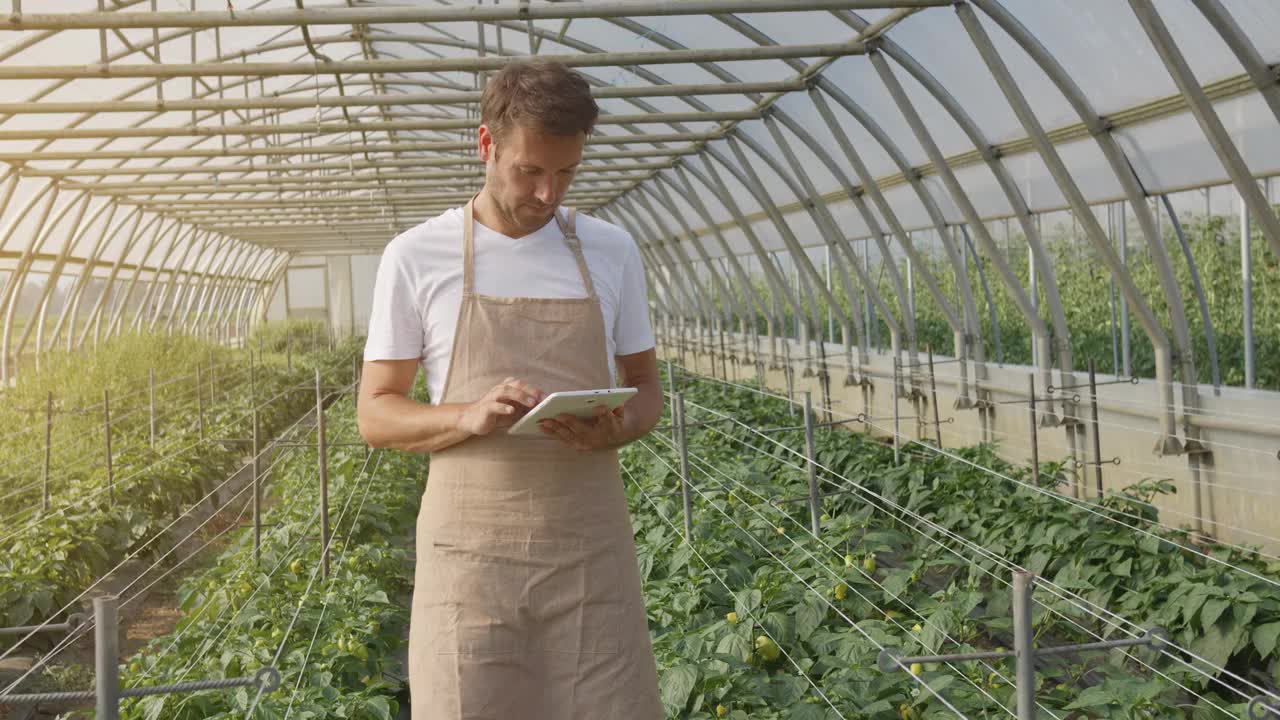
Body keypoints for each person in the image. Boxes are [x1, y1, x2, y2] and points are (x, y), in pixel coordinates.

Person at [357, 58, 664, 719]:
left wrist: (621, 424)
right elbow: (376, 414)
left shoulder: (611, 251)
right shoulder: (417, 256)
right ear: (486, 146)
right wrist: (467, 415)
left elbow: (645, 390)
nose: (550, 194)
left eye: (567, 172)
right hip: (470, 563)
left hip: (590, 557)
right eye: (531, 171)